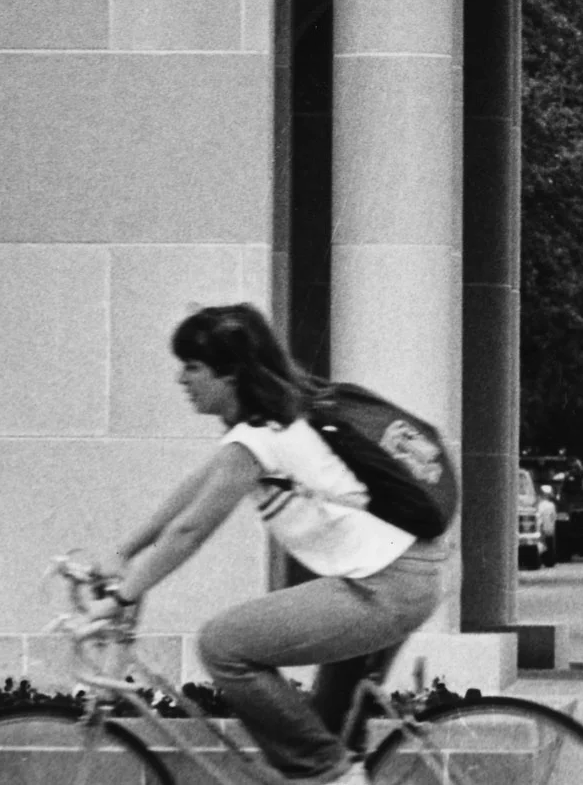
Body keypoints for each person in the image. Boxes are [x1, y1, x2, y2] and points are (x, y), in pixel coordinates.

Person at [85, 304, 445, 785]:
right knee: (326, 729)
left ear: (229, 373)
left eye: (192, 366)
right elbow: (194, 492)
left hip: (385, 587)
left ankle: (331, 776)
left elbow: (190, 531)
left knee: (223, 645)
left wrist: (122, 597)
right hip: (400, 574)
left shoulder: (261, 436)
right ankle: (338, 770)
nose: (181, 379)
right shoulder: (266, 428)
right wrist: (125, 552)